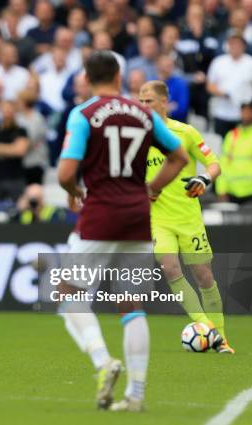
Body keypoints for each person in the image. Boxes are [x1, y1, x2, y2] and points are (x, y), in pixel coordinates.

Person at [56, 51, 188, 412]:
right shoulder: (143, 113)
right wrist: (152, 188)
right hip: (137, 216)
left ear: (87, 78)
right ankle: (136, 395)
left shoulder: (83, 114)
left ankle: (103, 361)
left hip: (100, 215)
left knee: (67, 290)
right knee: (131, 306)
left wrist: (75, 192)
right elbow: (179, 156)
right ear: (118, 75)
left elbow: (66, 173)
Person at [139, 80, 233, 353]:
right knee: (170, 269)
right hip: (157, 219)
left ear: (163, 102)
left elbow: (214, 164)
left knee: (204, 276)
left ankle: (222, 337)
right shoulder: (134, 136)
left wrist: (204, 178)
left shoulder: (185, 132)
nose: (144, 107)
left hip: (188, 217)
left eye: (149, 101)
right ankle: (210, 331)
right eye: (141, 102)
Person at [206, 32, 252, 138]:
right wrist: (220, 93)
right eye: (232, 43)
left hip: (244, 115)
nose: (235, 47)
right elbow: (210, 85)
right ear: (228, 45)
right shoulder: (218, 62)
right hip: (222, 112)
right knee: (221, 144)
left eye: (238, 44)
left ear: (244, 46)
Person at [0, 100, 29, 202]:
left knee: (19, 209)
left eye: (9, 109)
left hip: (15, 178)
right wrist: (11, 148)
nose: (7, 112)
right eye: (4, 110)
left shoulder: (21, 131)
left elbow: (20, 150)